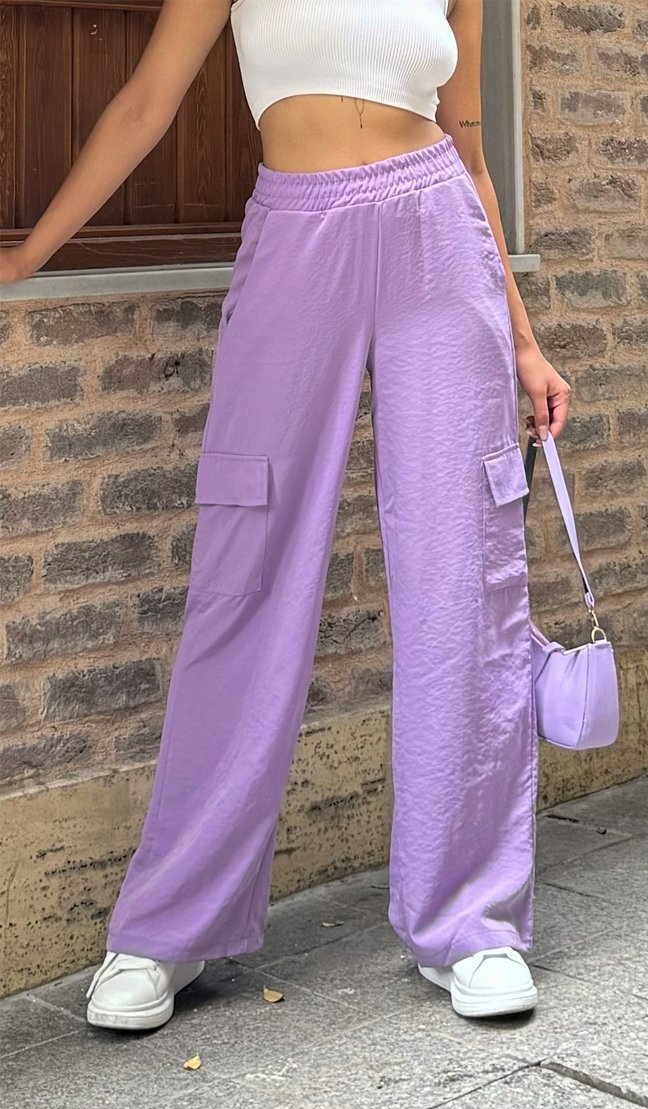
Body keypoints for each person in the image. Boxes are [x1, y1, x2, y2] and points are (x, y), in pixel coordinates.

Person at [1, 0, 570, 1031]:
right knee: (246, 567)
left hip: (440, 245)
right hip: (297, 238)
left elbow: (469, 149)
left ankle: (470, 920)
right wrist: (27, 254)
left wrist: (524, 340)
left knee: (463, 574)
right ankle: (169, 923)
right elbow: (145, 103)